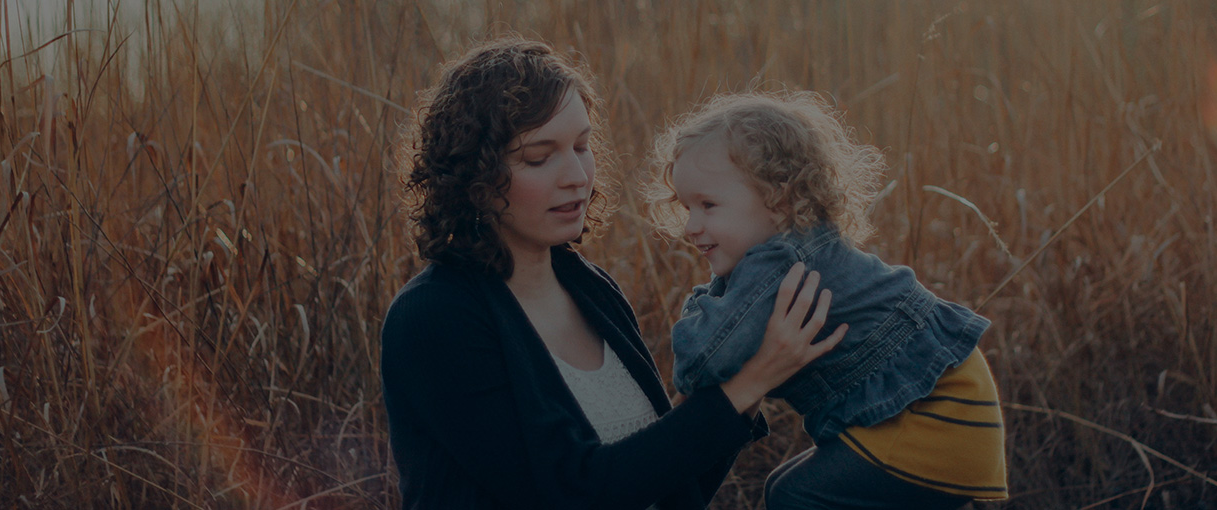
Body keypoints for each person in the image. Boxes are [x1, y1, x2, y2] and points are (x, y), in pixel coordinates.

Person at [379, 37, 848, 510]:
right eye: (540, 157)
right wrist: (750, 381)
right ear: (473, 175)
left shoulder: (591, 288)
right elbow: (571, 492)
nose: (577, 176)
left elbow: (666, 487)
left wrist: (752, 375)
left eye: (582, 146)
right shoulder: (434, 317)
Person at [646, 91, 1008, 509]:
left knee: (795, 495)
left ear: (777, 199)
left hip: (932, 420)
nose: (691, 226)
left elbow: (700, 363)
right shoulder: (803, 246)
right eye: (686, 206)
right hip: (953, 408)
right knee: (783, 483)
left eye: (708, 205)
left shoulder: (778, 265)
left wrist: (703, 304)